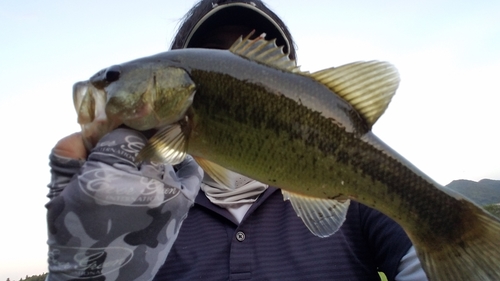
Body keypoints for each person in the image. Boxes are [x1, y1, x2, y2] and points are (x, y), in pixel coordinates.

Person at [46, 0, 428, 280]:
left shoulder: (357, 198)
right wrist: (91, 270)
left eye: (263, 54)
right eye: (215, 55)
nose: (236, 68)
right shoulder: (141, 214)